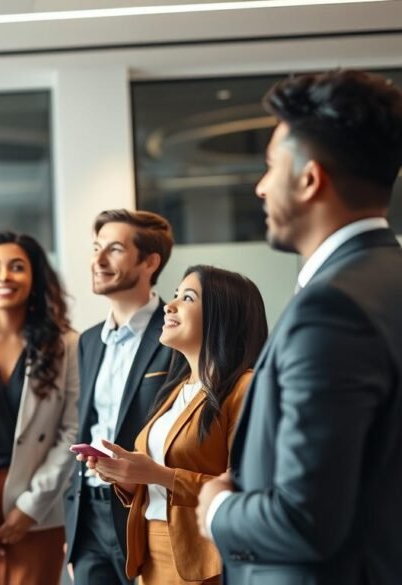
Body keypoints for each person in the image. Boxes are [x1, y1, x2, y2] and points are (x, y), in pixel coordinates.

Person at [196, 70, 402, 585]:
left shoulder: (332, 309)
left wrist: (218, 508)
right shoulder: (385, 282)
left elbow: (305, 520)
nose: (261, 187)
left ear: (310, 179)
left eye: (270, 167)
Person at [82, 266, 267, 584]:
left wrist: (155, 474)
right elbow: (155, 486)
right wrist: (125, 476)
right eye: (177, 295)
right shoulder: (176, 389)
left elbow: (245, 490)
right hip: (151, 557)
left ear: (222, 316)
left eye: (188, 298)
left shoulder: (244, 388)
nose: (171, 304)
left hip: (205, 562)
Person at [0, 231, 80, 585]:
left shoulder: (66, 344)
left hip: (38, 504)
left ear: (35, 278)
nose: (5, 276)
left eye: (17, 267)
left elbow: (72, 430)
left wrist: (31, 507)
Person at [64, 209, 175, 585]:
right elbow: (85, 423)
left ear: (149, 261)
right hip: (90, 516)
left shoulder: (175, 334)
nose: (97, 260)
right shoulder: (89, 340)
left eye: (113, 249)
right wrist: (74, 535)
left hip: (148, 510)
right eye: (96, 248)